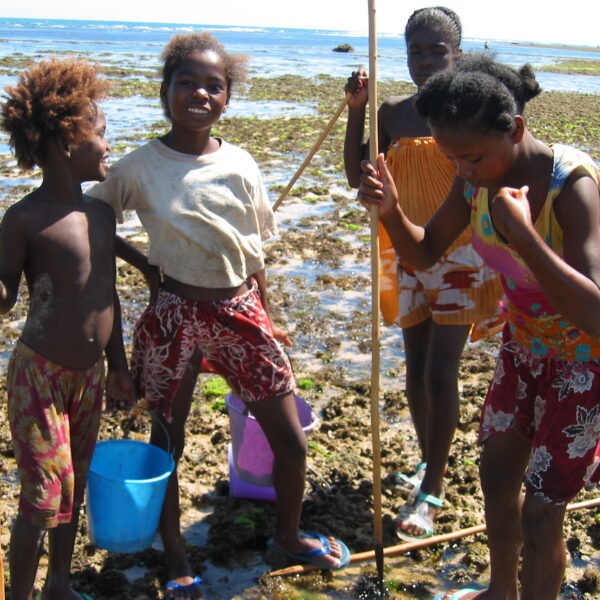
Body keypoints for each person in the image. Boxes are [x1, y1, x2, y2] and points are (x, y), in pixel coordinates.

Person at [85, 32, 350, 599]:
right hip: (174, 314)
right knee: (167, 441)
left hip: (240, 311)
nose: (200, 94)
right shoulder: (140, 165)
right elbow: (92, 219)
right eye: (187, 83)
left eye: (214, 86)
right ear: (165, 91)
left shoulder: (241, 163)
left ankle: (288, 534)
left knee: (292, 441)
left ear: (228, 97)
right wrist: (144, 265)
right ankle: (175, 554)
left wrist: (270, 317)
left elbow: (253, 255)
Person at [358, 53, 600, 600]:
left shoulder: (572, 183)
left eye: (472, 158)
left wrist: (526, 239)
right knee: (495, 476)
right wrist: (392, 210)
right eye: (453, 159)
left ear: (514, 128)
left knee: (541, 514)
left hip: (585, 364)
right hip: (523, 351)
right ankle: (500, 593)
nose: (463, 171)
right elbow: (423, 254)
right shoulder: (473, 185)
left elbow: (594, 311)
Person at [343, 7, 503, 541]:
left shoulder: (469, 112)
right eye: (417, 51)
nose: (427, 60)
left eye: (438, 51)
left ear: (457, 54)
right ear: (404, 53)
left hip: (460, 256)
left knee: (441, 372)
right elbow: (357, 175)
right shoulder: (393, 112)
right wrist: (357, 112)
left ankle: (432, 488)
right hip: (405, 249)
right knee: (414, 371)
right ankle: (428, 459)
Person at [0, 58, 135, 600]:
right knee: (41, 497)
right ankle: (21, 594)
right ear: (63, 142)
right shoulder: (24, 219)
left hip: (91, 376)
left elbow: (109, 298)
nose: (108, 145)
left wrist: (121, 367)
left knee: (71, 491)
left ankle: (58, 584)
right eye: (100, 135)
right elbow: (7, 289)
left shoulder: (101, 215)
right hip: (40, 378)